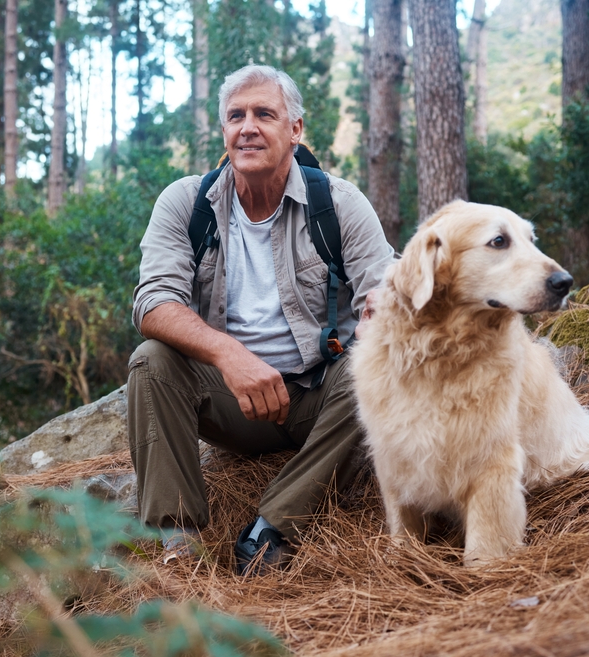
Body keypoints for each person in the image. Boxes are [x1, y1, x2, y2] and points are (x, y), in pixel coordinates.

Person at [128, 64, 395, 575]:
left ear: (295, 129)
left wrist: (380, 315)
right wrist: (230, 355)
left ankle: (273, 525)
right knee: (151, 362)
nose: (248, 126)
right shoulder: (186, 203)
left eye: (264, 114)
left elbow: (384, 283)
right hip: (234, 403)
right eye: (236, 115)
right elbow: (153, 303)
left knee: (377, 368)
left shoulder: (337, 204)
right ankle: (177, 541)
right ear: (223, 130)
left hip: (321, 397)